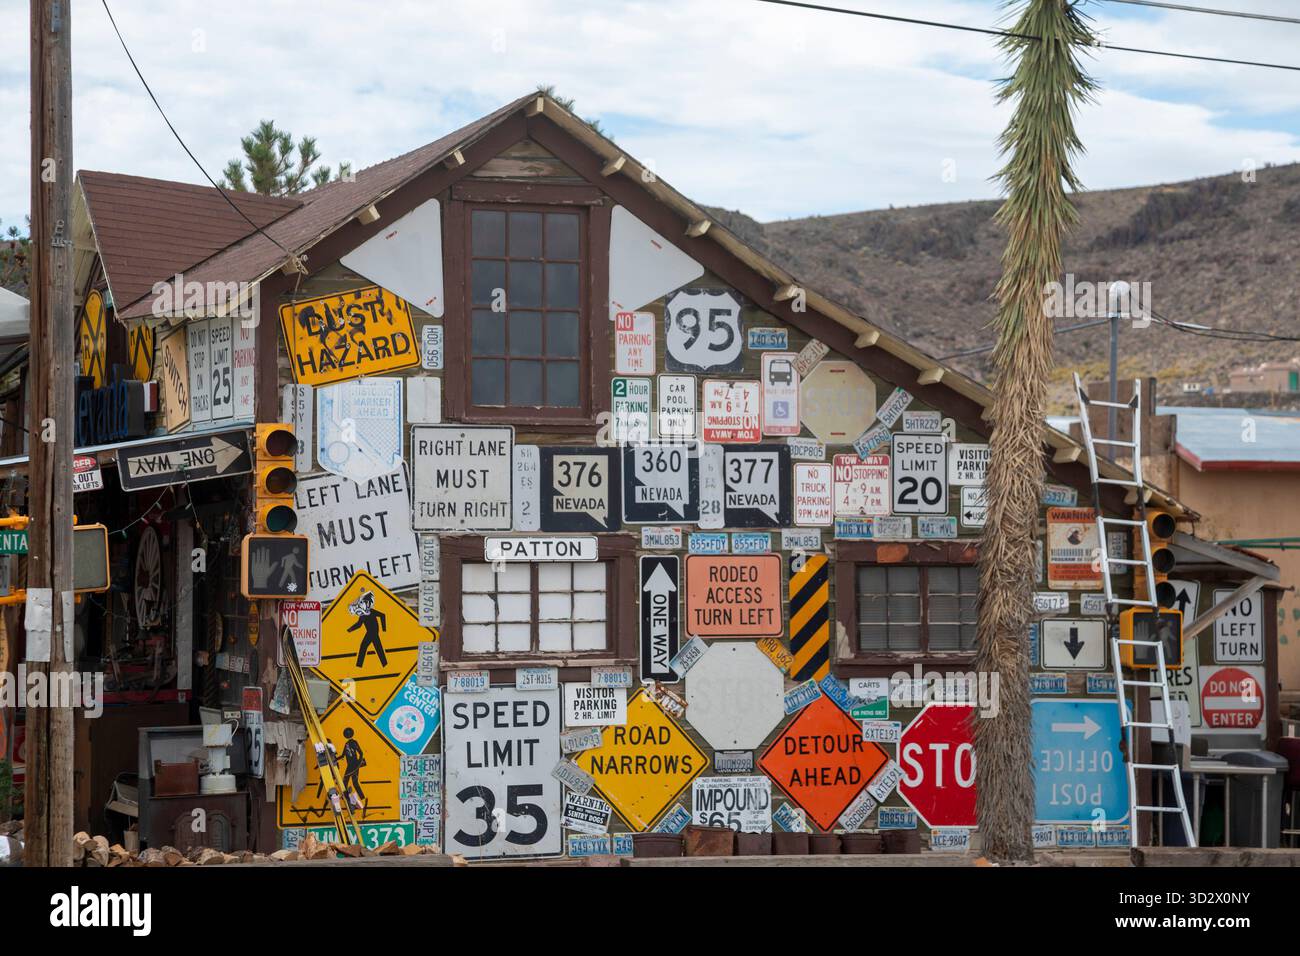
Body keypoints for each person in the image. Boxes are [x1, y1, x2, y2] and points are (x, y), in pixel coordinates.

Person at [347, 590, 388, 668]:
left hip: (373, 632)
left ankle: (359, 665)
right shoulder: (363, 615)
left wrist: (384, 629)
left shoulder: (371, 611)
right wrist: (350, 629)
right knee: (377, 648)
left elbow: (383, 615)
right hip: (371, 632)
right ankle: (384, 664)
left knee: (365, 646)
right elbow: (359, 625)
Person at [336, 727, 366, 808]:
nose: (348, 735)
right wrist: (335, 759)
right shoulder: (346, 744)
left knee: (353, 782)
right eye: (347, 733)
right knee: (346, 781)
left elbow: (361, 753)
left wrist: (359, 763)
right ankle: (345, 796)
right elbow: (343, 755)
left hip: (355, 765)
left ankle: (361, 797)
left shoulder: (354, 742)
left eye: (349, 733)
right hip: (350, 765)